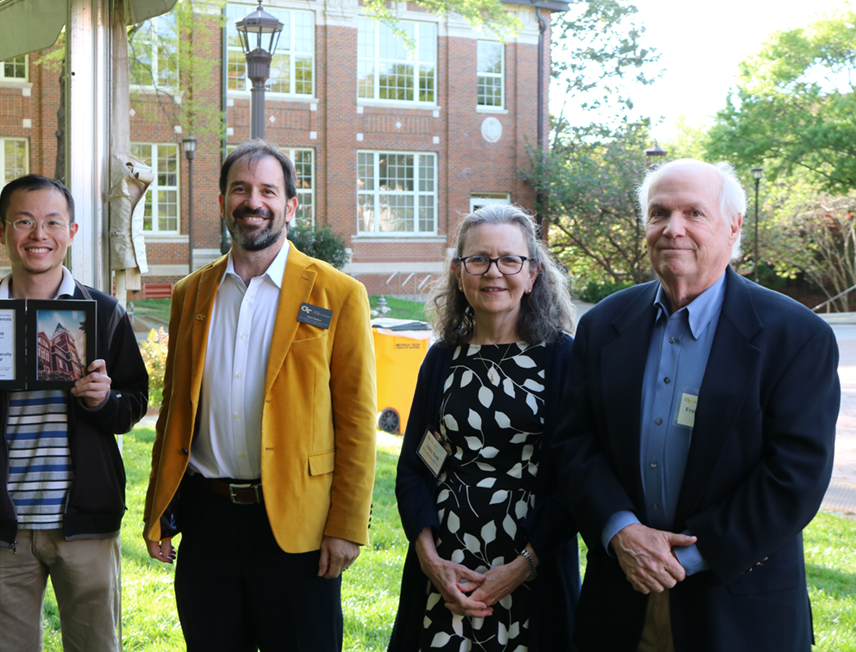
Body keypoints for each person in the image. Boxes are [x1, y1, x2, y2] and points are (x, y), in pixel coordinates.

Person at [552, 159, 840, 652]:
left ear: (733, 227)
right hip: (619, 603)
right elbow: (575, 443)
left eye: (694, 213)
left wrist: (681, 559)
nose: (673, 229)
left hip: (738, 608)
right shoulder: (603, 326)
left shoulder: (796, 337)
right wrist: (619, 531)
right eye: (659, 213)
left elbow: (794, 477)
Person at [142, 139, 377, 652]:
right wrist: (157, 508)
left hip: (299, 526)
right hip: (209, 524)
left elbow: (357, 423)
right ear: (223, 201)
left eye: (268, 190)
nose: (254, 202)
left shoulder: (337, 295)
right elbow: (174, 414)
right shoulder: (190, 294)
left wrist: (347, 525)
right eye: (240, 189)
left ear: (290, 205)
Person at [0, 174, 149, 651]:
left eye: (53, 222)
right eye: (24, 222)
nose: (39, 235)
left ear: (71, 232)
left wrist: (102, 401)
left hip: (84, 524)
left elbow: (133, 403)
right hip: (2, 527)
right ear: (0, 229)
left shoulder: (104, 312)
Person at [390, 205, 580, 652]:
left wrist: (522, 566)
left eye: (509, 260)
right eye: (478, 259)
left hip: (534, 566)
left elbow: (574, 479)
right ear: (459, 273)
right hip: (447, 567)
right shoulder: (441, 359)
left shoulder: (563, 359)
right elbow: (414, 468)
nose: (494, 272)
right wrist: (429, 558)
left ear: (532, 274)